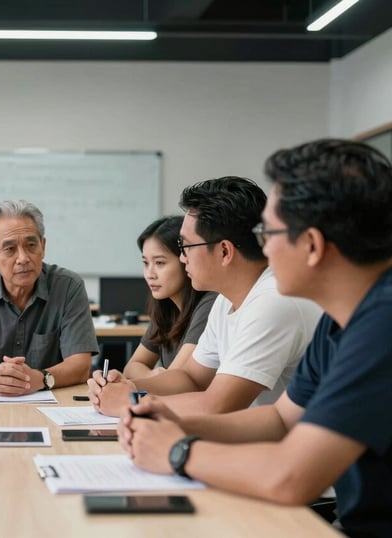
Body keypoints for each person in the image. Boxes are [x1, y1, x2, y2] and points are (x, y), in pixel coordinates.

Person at [118, 139, 392, 538]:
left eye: (269, 231)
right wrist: (171, 422)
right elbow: (281, 419)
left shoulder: (381, 324)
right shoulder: (340, 318)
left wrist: (177, 451)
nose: (261, 245)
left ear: (311, 245)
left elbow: (291, 476)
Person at [89, 176, 322, 416]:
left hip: (296, 446)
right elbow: (191, 378)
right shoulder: (226, 299)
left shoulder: (272, 301)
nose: (182, 258)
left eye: (185, 247)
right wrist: (129, 387)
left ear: (224, 251)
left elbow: (217, 404)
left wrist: (131, 401)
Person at [0, 200, 99, 395]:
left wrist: (39, 379)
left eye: (31, 245)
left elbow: (81, 365)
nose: (23, 258)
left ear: (43, 246)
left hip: (52, 404)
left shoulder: (68, 287)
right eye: (10, 249)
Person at [120, 216, 217, 379]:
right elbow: (131, 368)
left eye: (159, 263)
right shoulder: (166, 308)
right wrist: (152, 375)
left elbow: (174, 379)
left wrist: (153, 378)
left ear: (185, 259)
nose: (149, 274)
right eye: (145, 263)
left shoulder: (211, 303)